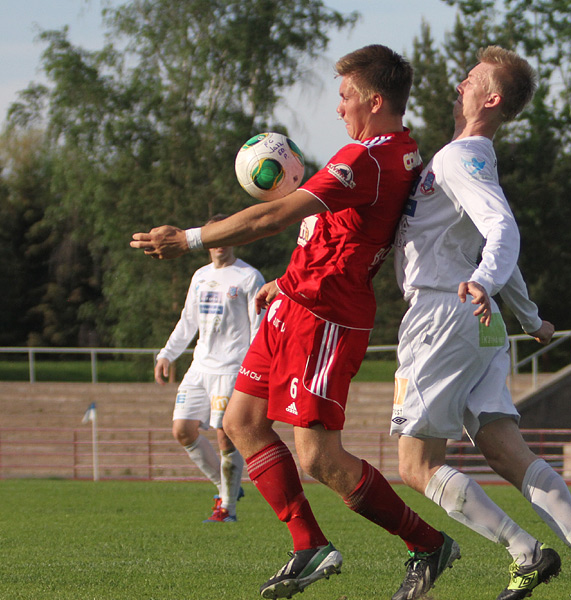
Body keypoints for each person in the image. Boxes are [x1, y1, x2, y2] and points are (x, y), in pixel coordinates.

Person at [131, 45, 458, 600]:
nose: (338, 108)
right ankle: (309, 545)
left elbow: (275, 215)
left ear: (375, 101)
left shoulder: (371, 157)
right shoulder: (384, 151)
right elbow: (344, 232)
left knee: (318, 457)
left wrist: (187, 239)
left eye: (346, 96)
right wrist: (286, 281)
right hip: (294, 303)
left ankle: (428, 544)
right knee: (240, 421)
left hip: (327, 319)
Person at [391, 45, 571, 600]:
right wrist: (530, 317)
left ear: (490, 97)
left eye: (471, 76)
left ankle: (527, 552)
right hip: (482, 320)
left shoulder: (459, 156)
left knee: (415, 464)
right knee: (503, 449)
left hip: (444, 313)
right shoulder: (464, 157)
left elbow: (503, 230)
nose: (460, 81)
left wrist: (483, 284)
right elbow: (496, 242)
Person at [154, 214, 264, 522]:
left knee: (225, 436)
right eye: (212, 237)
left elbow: (259, 327)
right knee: (182, 431)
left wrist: (254, 368)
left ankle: (227, 508)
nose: (218, 243)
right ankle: (226, 486)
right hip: (199, 367)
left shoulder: (248, 277)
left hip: (231, 368)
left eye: (223, 236)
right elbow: (188, 321)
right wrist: (166, 354)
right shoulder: (200, 276)